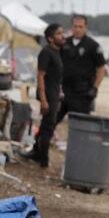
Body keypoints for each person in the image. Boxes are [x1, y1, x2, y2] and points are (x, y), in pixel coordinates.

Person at [21, 24, 64, 167]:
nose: (62, 36)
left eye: (62, 33)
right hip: (48, 94)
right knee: (48, 128)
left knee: (47, 126)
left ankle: (36, 153)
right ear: (51, 38)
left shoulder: (58, 51)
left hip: (54, 93)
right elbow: (40, 76)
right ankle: (43, 163)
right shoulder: (46, 52)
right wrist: (44, 100)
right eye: (59, 34)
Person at [56, 15, 105, 123]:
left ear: (85, 27)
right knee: (51, 120)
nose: (77, 29)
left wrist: (95, 88)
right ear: (71, 27)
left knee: (79, 124)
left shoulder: (93, 46)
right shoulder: (63, 44)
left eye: (80, 27)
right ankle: (41, 140)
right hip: (63, 91)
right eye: (75, 26)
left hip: (82, 93)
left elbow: (101, 69)